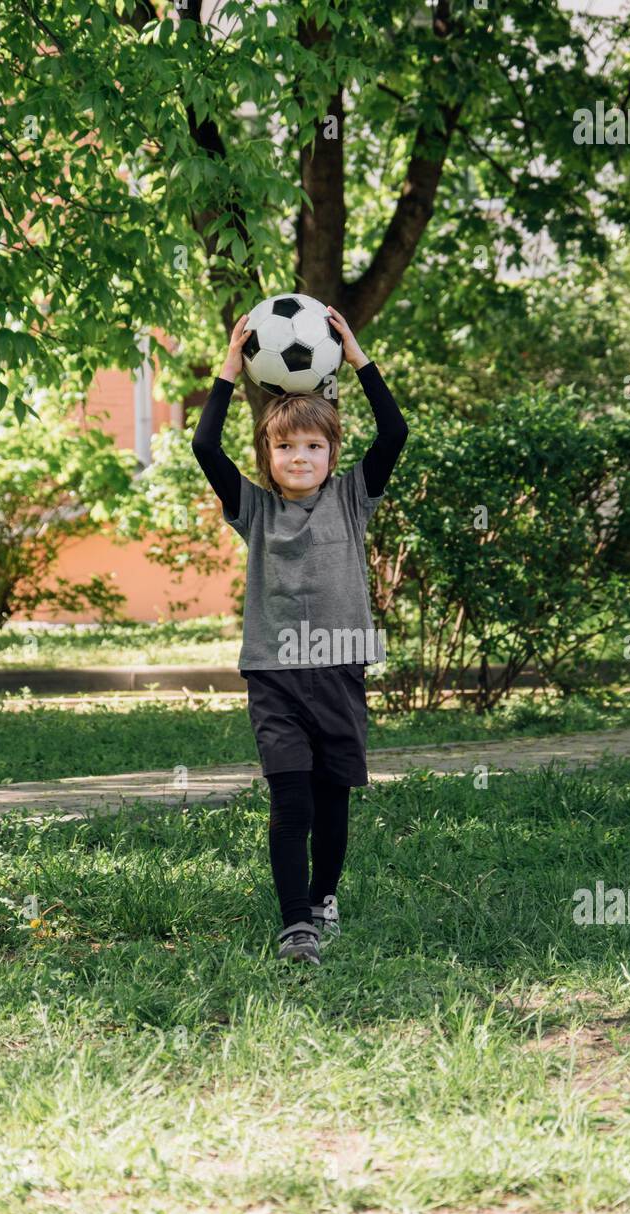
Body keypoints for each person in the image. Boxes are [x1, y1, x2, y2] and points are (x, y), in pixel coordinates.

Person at [191, 305, 408, 963]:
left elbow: (394, 434)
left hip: (339, 670)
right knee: (290, 800)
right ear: (268, 455)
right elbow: (204, 446)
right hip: (275, 675)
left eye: (314, 446)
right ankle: (296, 926)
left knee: (331, 802)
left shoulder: (351, 498)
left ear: (332, 453)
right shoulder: (252, 509)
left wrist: (359, 356)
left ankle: (321, 898)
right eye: (285, 447)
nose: (300, 456)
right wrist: (229, 370)